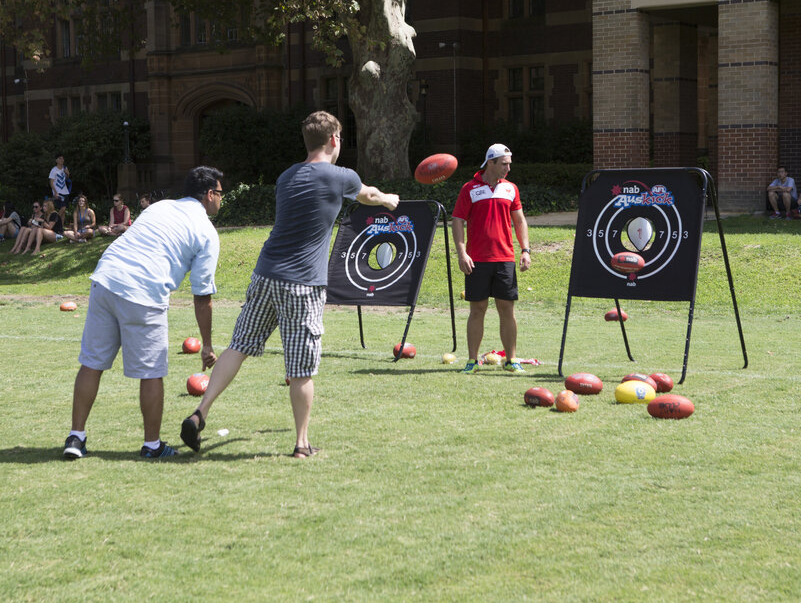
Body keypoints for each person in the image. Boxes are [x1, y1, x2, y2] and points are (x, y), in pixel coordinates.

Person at [179, 111, 400, 459]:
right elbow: (368, 195)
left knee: (239, 346)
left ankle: (200, 412)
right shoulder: (341, 175)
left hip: (265, 274)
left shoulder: (286, 176)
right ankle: (301, 443)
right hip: (303, 283)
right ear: (334, 141)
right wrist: (388, 199)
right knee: (301, 367)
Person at [63, 166, 224, 460]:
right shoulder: (206, 233)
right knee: (151, 373)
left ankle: (76, 438)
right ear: (210, 194)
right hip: (144, 290)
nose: (221, 200)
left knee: (92, 363)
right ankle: (152, 445)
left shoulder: (161, 207)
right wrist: (208, 345)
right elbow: (202, 298)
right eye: (221, 194)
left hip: (106, 278)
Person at [452, 143, 531, 375]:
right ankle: (472, 361)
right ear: (491, 163)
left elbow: (519, 221)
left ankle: (512, 360)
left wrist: (525, 250)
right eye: (504, 164)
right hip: (476, 260)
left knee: (507, 310)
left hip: (505, 258)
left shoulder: (511, 189)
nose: (508, 168)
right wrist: (462, 253)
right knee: (477, 310)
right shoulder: (469, 188)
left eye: (509, 164)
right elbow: (457, 220)